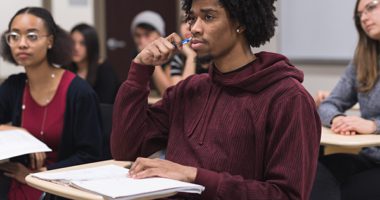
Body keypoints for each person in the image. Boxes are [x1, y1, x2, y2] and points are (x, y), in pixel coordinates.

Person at [111, 0, 321, 199]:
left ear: (240, 22)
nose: (194, 28)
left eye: (209, 17)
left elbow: (285, 195)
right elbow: (126, 150)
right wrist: (140, 70)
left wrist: (193, 176)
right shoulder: (188, 90)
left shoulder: (288, 99)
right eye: (192, 18)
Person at [0, 7, 103, 199]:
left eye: (32, 36)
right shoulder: (14, 87)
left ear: (50, 41)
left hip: (60, 188)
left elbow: (91, 155)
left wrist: (39, 175)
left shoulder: (79, 92)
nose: (21, 44)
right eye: (14, 36)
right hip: (15, 183)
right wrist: (18, 132)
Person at [315, 0, 380, 199]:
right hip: (370, 157)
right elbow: (329, 104)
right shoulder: (363, 60)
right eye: (359, 15)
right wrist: (337, 119)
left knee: (348, 192)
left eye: (370, 7)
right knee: (312, 172)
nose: (364, 18)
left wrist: (373, 125)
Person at [66, 23, 120, 104]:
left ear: (91, 45)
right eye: (73, 42)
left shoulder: (104, 70)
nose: (76, 48)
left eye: (82, 43)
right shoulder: (65, 69)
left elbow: (105, 106)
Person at [130, 10, 172, 96]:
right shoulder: (136, 55)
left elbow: (167, 91)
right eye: (138, 36)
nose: (142, 40)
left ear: (160, 35)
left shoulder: (170, 54)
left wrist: (152, 59)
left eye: (147, 35)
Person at [169, 11, 209, 85]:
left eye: (192, 19)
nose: (187, 26)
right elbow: (180, 95)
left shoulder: (218, 55)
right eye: (184, 21)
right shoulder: (178, 59)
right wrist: (191, 55)